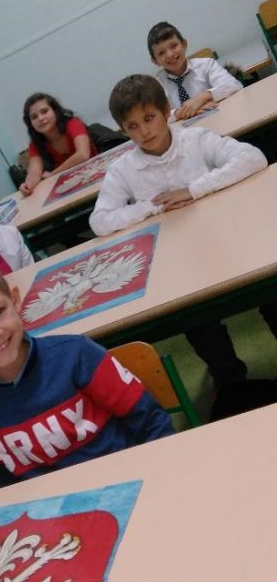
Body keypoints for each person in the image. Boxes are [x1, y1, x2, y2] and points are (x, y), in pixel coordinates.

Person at [89, 74, 277, 388]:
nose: (144, 131)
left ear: (166, 111)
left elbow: (253, 158)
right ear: (123, 130)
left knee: (269, 290)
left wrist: (194, 189)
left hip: (229, 242)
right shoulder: (123, 169)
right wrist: (151, 207)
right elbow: (100, 221)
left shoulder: (195, 139)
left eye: (149, 118)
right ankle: (233, 384)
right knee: (197, 322)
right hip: (179, 261)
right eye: (132, 126)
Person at [0, 256, 173, 488]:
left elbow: (150, 419)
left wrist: (162, 477)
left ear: (14, 300)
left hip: (128, 479)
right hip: (55, 508)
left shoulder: (76, 354)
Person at [148, 21, 242, 120]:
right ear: (155, 61)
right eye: (161, 53)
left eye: (174, 46)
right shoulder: (156, 86)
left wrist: (203, 98)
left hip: (220, 119)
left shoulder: (206, 65)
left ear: (184, 44)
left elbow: (234, 85)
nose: (170, 54)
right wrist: (180, 112)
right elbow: (152, 116)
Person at [20, 92, 98, 196]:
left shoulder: (72, 123)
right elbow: (34, 172)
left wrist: (54, 174)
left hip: (95, 175)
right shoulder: (35, 143)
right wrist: (27, 185)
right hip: (69, 186)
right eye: (34, 117)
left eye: (44, 111)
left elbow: (83, 155)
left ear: (55, 111)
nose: (40, 118)